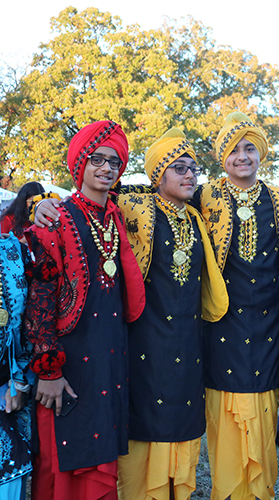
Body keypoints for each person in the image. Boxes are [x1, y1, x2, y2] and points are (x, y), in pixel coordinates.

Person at [25, 120, 146, 500]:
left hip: (109, 359)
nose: (106, 168)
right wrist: (49, 370)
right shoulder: (55, 219)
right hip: (68, 363)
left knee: (101, 460)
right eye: (96, 159)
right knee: (64, 466)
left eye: (114, 161)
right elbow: (40, 299)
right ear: (79, 164)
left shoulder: (115, 217)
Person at [114, 129, 228, 500]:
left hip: (188, 340)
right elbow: (92, 204)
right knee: (145, 418)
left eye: (193, 169)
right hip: (145, 339)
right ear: (157, 175)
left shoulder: (196, 219)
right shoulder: (136, 208)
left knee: (182, 418)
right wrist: (40, 205)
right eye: (179, 169)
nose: (189, 176)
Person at [196, 112, 279, 500]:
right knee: (223, 412)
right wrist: (40, 206)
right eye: (233, 149)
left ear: (261, 153)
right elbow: (149, 199)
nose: (242, 156)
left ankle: (259, 492)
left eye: (250, 148)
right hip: (220, 321)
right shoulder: (203, 195)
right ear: (222, 158)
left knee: (261, 408)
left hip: (266, 323)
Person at [0, 231, 34, 498]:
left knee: (11, 474)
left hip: (7, 387)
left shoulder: (16, 252)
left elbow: (30, 323)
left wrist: (21, 380)